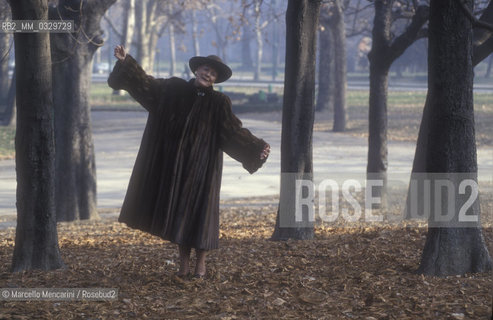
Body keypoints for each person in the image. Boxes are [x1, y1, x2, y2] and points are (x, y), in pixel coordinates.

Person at [108, 45, 270, 278]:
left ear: (216, 79)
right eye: (206, 69)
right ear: (197, 69)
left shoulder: (219, 103)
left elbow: (232, 132)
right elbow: (146, 84)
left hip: (204, 170)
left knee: (201, 216)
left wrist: (256, 149)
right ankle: (184, 265)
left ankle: (201, 265)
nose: (208, 75)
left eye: (213, 73)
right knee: (179, 216)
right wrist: (126, 63)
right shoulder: (173, 90)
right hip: (177, 168)